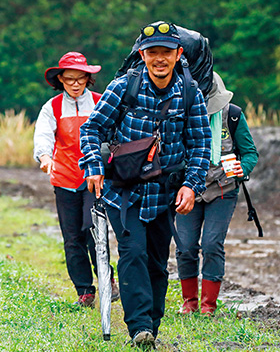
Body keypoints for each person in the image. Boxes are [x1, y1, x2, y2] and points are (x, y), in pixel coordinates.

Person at [79, 21, 211, 348]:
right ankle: (139, 327)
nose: (159, 59)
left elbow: (200, 144)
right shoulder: (124, 87)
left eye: (166, 52)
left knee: (156, 261)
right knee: (133, 253)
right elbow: (92, 130)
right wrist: (94, 166)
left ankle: (152, 324)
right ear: (143, 54)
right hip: (124, 192)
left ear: (178, 54)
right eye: (153, 53)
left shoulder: (190, 93)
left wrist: (191, 185)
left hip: (165, 193)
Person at [33, 51, 118, 308]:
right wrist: (45, 157)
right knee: (72, 237)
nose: (75, 83)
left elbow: (112, 135)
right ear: (61, 80)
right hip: (64, 178)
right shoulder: (53, 107)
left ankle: (107, 279)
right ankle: (84, 289)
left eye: (80, 78)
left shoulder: (101, 102)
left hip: (94, 179)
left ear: (88, 79)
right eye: (69, 79)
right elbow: (43, 136)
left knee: (92, 231)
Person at [175, 72, 259, 315]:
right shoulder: (180, 114)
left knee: (212, 244)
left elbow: (250, 152)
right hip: (188, 190)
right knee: (186, 246)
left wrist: (242, 168)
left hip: (223, 190)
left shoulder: (232, 115)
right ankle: (189, 302)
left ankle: (208, 305)